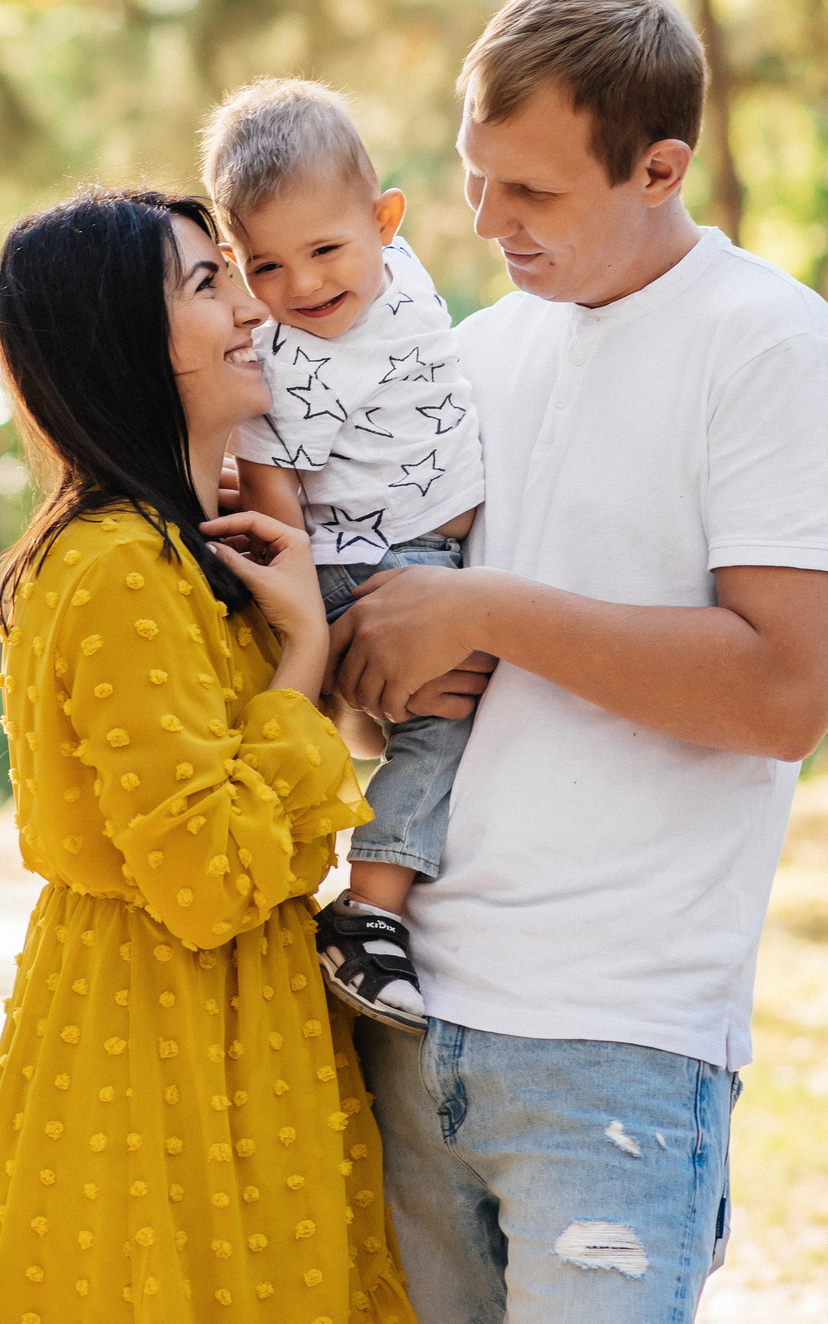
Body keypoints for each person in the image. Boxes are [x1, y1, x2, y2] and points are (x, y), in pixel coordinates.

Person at [334, 0, 828, 1323]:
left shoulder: (770, 347)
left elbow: (782, 690)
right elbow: (393, 698)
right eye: (475, 177)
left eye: (533, 193)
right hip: (406, 1024)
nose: (488, 221)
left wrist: (489, 609)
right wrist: (369, 655)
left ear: (659, 168)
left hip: (617, 1044)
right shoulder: (469, 356)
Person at [0, 185, 417, 1324]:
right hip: (154, 1065)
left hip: (229, 1037)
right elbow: (210, 872)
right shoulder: (118, 564)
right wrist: (305, 642)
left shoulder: (186, 549)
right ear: (125, 337)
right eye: (208, 282)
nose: (254, 303)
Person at [202, 78, 484, 1033]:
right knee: (441, 719)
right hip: (357, 558)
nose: (304, 287)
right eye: (266, 266)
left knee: (417, 716)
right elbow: (273, 482)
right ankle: (369, 910)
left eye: (325, 250)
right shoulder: (288, 356)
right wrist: (310, 615)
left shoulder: (398, 273)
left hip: (420, 545)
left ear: (387, 219)